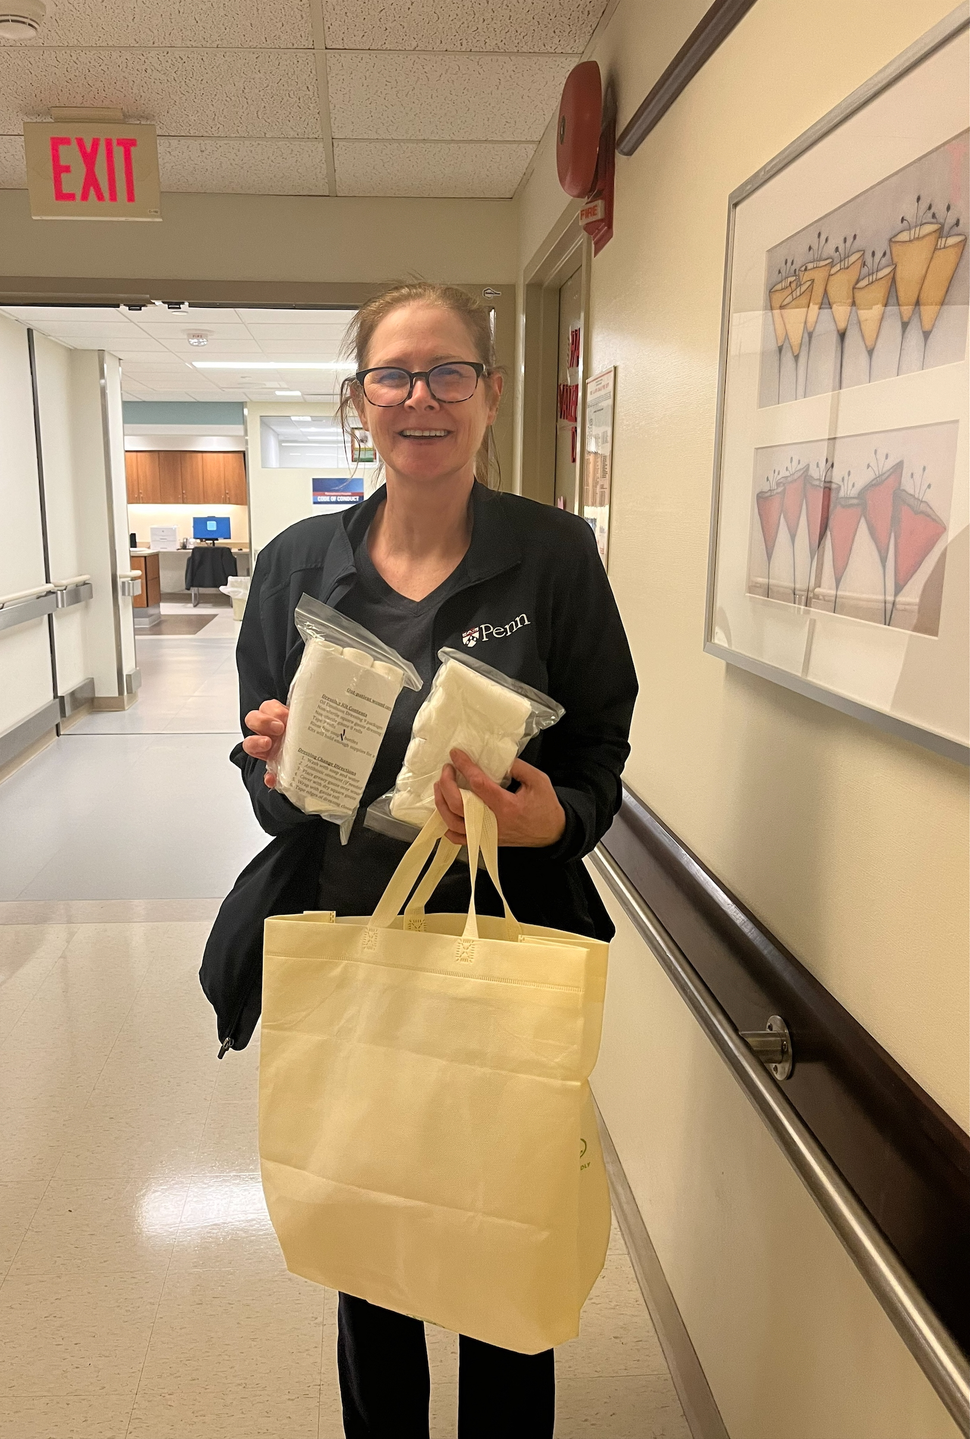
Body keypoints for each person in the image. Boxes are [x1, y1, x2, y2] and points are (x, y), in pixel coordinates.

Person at [214, 282, 637, 1438]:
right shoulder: (299, 567)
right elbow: (266, 784)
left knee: (503, 1251)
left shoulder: (553, 556)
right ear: (360, 404)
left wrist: (557, 815)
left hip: (508, 943)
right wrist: (271, 766)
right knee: (374, 1244)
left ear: (490, 397)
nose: (422, 397)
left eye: (450, 371)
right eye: (394, 375)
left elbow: (602, 744)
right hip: (353, 946)